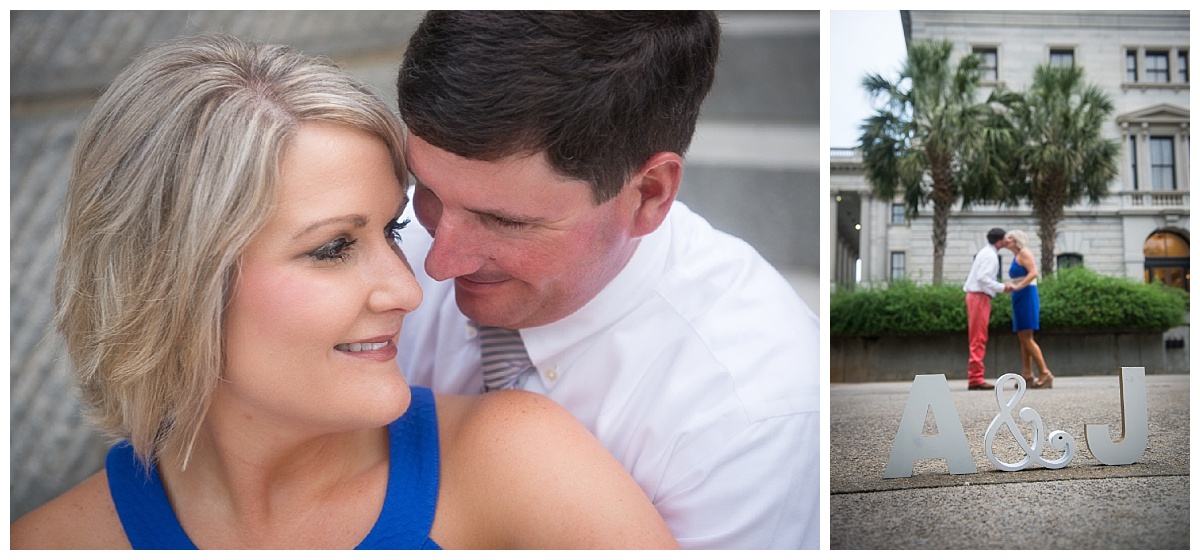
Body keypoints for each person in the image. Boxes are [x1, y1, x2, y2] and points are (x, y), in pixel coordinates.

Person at [9, 34, 676, 550]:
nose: (408, 289)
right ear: (171, 282)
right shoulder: (47, 543)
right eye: (332, 248)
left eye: (392, 230)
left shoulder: (519, 467)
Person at [393, 11, 819, 549]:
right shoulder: (390, 242)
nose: (436, 262)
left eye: (506, 221)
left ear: (649, 195)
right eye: (426, 189)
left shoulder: (750, 416)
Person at [963, 227, 1013, 390]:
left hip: (977, 296)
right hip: (979, 297)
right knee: (978, 337)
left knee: (978, 336)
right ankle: (976, 378)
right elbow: (983, 278)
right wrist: (1002, 287)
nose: (1007, 241)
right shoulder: (991, 256)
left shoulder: (986, 252)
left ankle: (975, 377)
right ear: (999, 240)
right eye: (1005, 238)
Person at [1005, 230, 1053, 389]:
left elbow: (1034, 273)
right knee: (1023, 336)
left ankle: (1045, 373)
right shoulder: (1017, 255)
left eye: (1010, 237)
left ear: (1017, 240)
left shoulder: (1025, 252)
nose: (1007, 240)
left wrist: (1018, 286)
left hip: (1026, 294)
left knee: (1027, 337)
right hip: (1020, 295)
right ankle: (1027, 374)